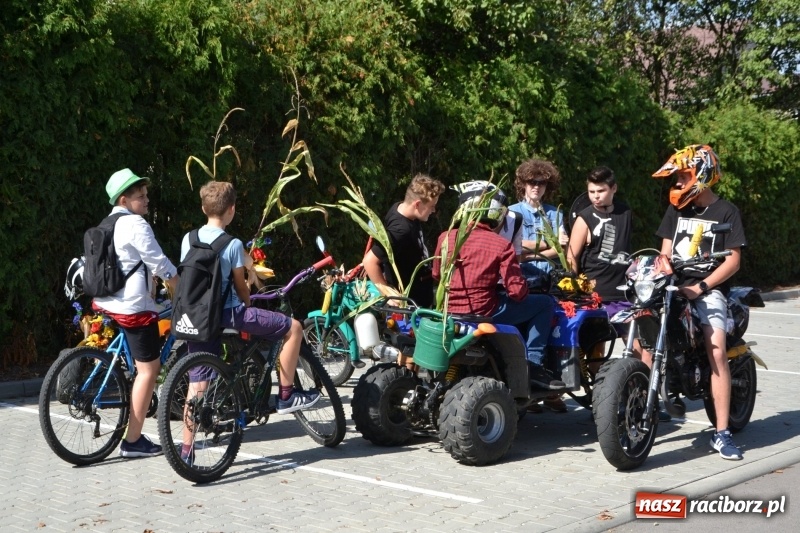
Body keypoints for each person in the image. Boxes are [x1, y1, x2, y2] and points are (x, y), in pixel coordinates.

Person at [179, 181, 320, 462]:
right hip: (230, 313)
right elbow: (240, 285)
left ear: (203, 208)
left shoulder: (188, 238)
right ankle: (286, 395)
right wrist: (247, 302)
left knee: (197, 382)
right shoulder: (231, 244)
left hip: (197, 317)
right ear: (231, 210)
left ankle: (185, 451)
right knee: (292, 327)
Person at [653, 144, 747, 460]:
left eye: (684, 176)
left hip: (708, 289)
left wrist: (702, 287)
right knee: (640, 325)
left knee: (716, 349)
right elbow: (665, 252)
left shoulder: (726, 212)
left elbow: (733, 261)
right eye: (677, 178)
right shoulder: (676, 210)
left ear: (702, 176)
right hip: (673, 286)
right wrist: (661, 269)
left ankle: (722, 433)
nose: (678, 183)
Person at [431, 185, 561, 391]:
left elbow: (436, 274)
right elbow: (516, 292)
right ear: (496, 214)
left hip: (448, 311)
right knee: (545, 304)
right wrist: (524, 287)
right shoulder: (500, 244)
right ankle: (534, 364)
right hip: (484, 312)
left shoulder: (445, 237)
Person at [92, 168, 179, 458]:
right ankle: (133, 441)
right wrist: (179, 285)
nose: (147, 200)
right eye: (141, 196)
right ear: (124, 200)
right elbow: (159, 262)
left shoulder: (108, 223)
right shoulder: (135, 224)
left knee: (140, 363)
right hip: (132, 307)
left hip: (108, 301)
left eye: (146, 195)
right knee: (149, 370)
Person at [363, 174, 445, 308]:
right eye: (432, 206)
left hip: (421, 295)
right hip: (409, 305)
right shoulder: (400, 231)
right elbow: (369, 261)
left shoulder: (400, 208)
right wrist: (387, 294)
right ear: (417, 204)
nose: (434, 210)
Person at [509, 159, 569, 291]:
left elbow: (561, 249)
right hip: (522, 279)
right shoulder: (511, 213)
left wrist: (526, 257)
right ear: (523, 184)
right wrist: (546, 244)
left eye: (542, 183)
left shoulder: (555, 213)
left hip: (551, 280)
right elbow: (511, 247)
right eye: (532, 182)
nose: (537, 186)